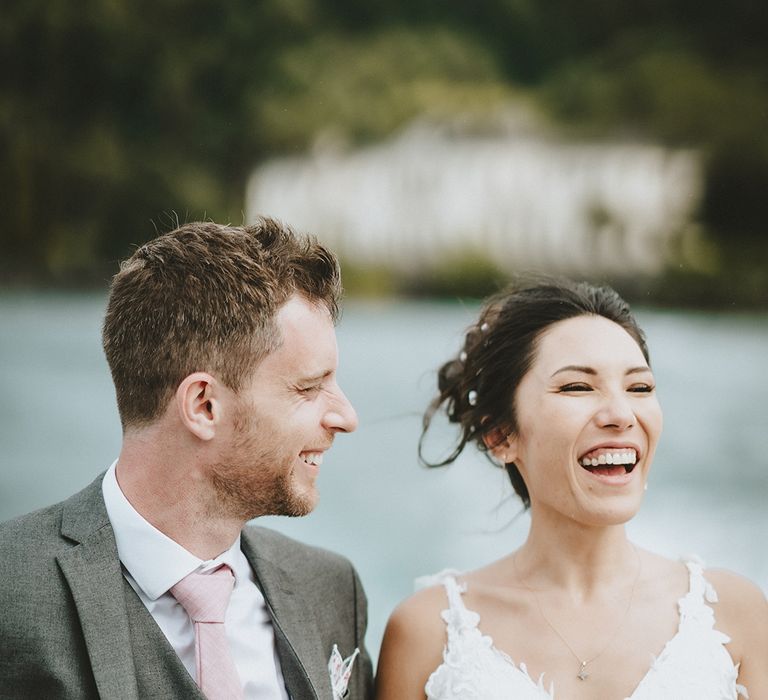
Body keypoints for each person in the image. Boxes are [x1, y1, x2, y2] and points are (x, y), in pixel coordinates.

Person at [0, 220, 373, 699]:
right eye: (307, 387)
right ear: (203, 406)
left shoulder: (332, 590)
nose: (346, 416)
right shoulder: (11, 589)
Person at [376, 280, 768, 700]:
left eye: (640, 388)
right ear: (500, 435)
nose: (621, 414)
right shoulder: (426, 632)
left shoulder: (734, 614)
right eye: (577, 387)